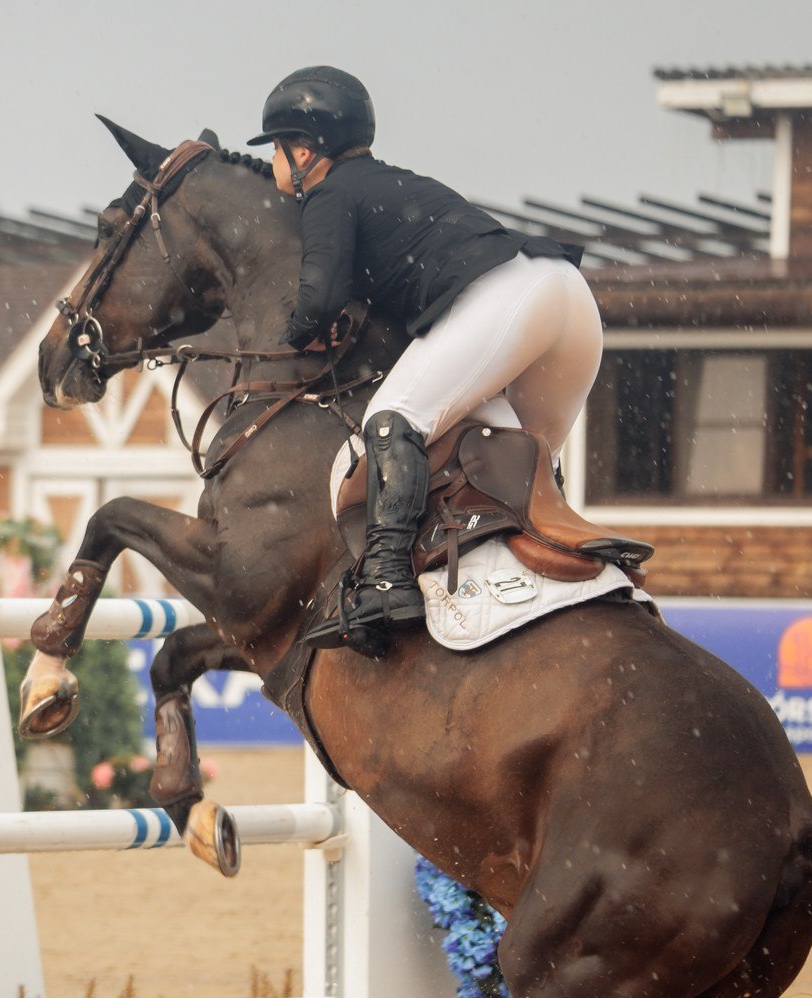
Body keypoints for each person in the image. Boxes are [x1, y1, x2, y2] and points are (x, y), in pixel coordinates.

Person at [249, 66, 604, 657]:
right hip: (568, 297)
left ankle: (385, 581)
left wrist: (299, 335)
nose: (275, 162)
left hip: (511, 296)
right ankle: (543, 586)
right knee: (523, 457)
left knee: (393, 419)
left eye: (278, 149)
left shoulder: (329, 192)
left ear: (304, 151)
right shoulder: (394, 181)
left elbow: (319, 300)